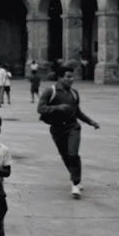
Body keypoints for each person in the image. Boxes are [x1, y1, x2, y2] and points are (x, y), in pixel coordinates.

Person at [37, 65, 100, 198]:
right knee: (65, 155)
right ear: (60, 78)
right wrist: (58, 108)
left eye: (72, 77)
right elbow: (41, 108)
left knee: (73, 153)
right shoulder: (50, 91)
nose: (71, 79)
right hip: (57, 129)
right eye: (68, 77)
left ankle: (75, 183)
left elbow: (78, 112)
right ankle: (75, 177)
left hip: (73, 127)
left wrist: (91, 122)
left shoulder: (74, 93)